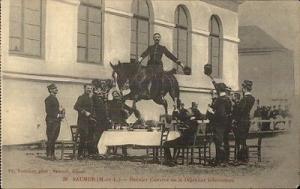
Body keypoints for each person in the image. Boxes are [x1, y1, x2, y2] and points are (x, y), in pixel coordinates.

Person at [211, 83, 232, 165]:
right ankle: (226, 159)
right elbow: (229, 111)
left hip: (218, 123)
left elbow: (213, 111)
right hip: (226, 123)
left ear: (218, 90)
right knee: (226, 140)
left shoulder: (218, 100)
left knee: (218, 141)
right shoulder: (228, 99)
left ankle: (219, 160)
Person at [235, 80, 255, 163]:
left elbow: (240, 110)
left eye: (242, 88)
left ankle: (241, 158)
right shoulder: (252, 98)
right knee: (244, 139)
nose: (242, 89)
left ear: (245, 88)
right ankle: (245, 158)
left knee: (240, 140)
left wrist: (236, 105)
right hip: (247, 121)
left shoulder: (244, 99)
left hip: (241, 121)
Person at [74, 84, 95, 159]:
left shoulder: (91, 98)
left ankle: (89, 154)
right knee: (83, 137)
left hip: (90, 121)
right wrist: (84, 112)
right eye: (88, 88)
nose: (89, 89)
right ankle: (80, 154)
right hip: (82, 121)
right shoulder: (81, 97)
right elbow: (76, 106)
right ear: (84, 89)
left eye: (90, 88)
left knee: (90, 137)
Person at [44, 83, 65, 160]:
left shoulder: (55, 98)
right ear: (50, 90)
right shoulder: (48, 99)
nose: (57, 89)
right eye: (54, 88)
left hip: (56, 121)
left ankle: (51, 154)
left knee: (54, 138)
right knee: (51, 137)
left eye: (56, 88)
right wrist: (58, 115)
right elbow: (48, 111)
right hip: (51, 121)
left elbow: (55, 110)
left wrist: (61, 111)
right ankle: (49, 155)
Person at [92, 80, 110, 156]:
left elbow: (106, 107)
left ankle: (104, 150)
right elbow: (93, 108)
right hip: (98, 119)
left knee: (105, 135)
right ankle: (95, 151)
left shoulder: (104, 97)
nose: (101, 90)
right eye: (99, 89)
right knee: (97, 135)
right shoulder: (94, 97)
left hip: (104, 118)